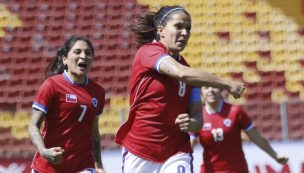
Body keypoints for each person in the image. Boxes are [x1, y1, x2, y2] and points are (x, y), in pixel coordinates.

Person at [115, 5, 245, 173]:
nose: (184, 33)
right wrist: (227, 84)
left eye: (188, 28)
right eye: (178, 26)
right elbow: (181, 74)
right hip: (140, 150)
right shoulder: (148, 52)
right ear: (161, 30)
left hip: (176, 151)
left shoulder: (190, 72)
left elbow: (198, 117)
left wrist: (191, 123)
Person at [28, 35, 106, 173]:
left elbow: (94, 132)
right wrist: (44, 151)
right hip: (48, 168)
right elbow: (33, 125)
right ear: (65, 59)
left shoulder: (98, 92)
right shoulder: (51, 85)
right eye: (77, 52)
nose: (83, 56)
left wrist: (99, 165)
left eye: (88, 53)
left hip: (83, 166)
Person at [190, 86, 289, 173]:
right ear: (201, 92)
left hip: (237, 170)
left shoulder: (235, 112)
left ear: (220, 90)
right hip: (210, 171)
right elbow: (191, 143)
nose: (210, 90)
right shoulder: (198, 116)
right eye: (206, 88)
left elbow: (256, 137)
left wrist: (275, 155)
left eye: (214, 87)